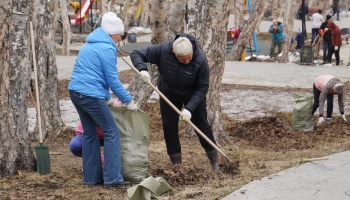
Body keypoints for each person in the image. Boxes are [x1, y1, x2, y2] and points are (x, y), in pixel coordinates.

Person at [130, 33, 220, 173]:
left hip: (193, 94)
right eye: (182, 59)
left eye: (189, 58)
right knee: (169, 126)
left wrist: (189, 109)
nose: (187, 62)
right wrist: (143, 70)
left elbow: (202, 87)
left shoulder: (200, 61)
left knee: (202, 125)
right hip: (169, 92)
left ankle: (215, 162)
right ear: (173, 52)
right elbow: (136, 54)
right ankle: (176, 163)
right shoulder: (163, 50)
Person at [68, 12, 137, 187]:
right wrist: (128, 100)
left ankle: (92, 178)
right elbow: (112, 80)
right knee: (111, 132)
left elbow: (96, 76)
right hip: (91, 95)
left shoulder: (90, 44)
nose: (120, 38)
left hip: (76, 92)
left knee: (89, 133)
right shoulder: (107, 48)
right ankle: (113, 179)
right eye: (120, 35)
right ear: (113, 33)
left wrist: (106, 97)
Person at [69, 99, 122, 164]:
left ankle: (116, 164)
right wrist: (102, 159)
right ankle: (93, 162)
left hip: (110, 136)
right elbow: (84, 133)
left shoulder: (114, 105)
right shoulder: (89, 103)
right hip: (91, 135)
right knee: (76, 145)